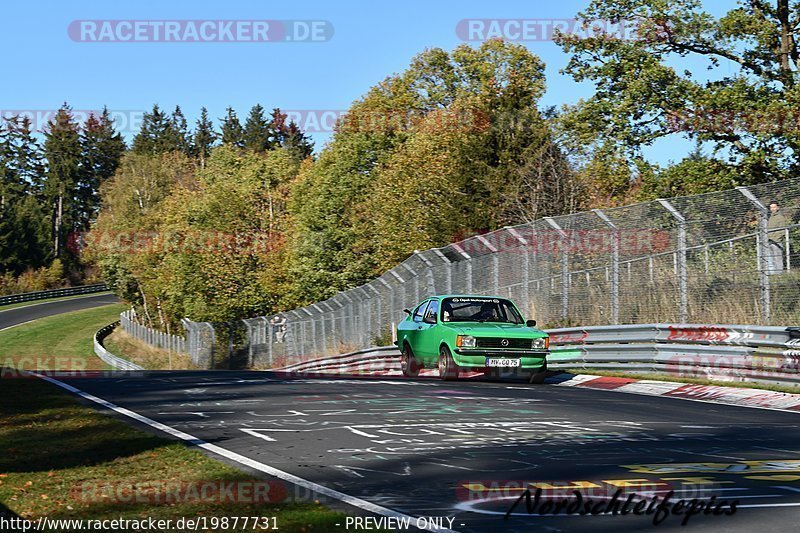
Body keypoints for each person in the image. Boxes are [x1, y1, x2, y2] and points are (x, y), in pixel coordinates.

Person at [766, 201, 789, 274]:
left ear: (778, 208)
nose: (772, 209)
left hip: (776, 241)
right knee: (770, 258)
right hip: (768, 241)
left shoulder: (780, 217)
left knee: (777, 258)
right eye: (771, 207)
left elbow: (782, 230)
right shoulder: (769, 217)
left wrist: (776, 239)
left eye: (774, 207)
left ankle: (779, 274)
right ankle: (772, 274)